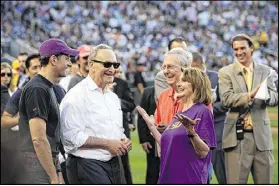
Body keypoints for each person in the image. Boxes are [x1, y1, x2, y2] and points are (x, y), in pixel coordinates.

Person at [60, 44, 132, 184]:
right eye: (107, 64)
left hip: (113, 163)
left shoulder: (112, 97)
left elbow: (115, 130)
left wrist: (123, 140)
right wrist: (107, 144)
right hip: (86, 164)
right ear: (91, 65)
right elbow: (70, 136)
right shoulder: (76, 96)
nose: (112, 69)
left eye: (115, 65)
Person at [137, 67, 216, 184]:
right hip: (168, 178)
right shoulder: (179, 113)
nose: (178, 84)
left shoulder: (202, 111)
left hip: (189, 178)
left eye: (184, 80)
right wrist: (152, 128)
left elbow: (204, 152)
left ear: (196, 84)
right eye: (179, 80)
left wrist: (192, 133)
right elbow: (167, 146)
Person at [218, 34, 278, 184]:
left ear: (252, 48)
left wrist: (266, 96)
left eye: (242, 48)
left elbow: (275, 98)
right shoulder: (225, 72)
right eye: (235, 49)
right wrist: (250, 95)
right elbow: (226, 99)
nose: (239, 52)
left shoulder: (267, 71)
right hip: (236, 138)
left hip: (262, 139)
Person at [18, 38, 78, 184]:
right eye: (67, 58)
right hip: (35, 165)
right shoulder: (37, 89)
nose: (70, 63)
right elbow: (38, 139)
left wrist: (57, 171)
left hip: (43, 162)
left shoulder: (47, 87)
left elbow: (50, 138)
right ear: (54, 59)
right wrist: (53, 177)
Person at [191, 52, 227, 184]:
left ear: (198, 63)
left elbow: (225, 103)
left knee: (221, 171)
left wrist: (205, 111)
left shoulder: (216, 77)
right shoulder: (189, 80)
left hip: (216, 128)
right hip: (196, 132)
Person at [113, 66, 136, 184]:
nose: (115, 73)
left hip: (121, 127)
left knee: (124, 162)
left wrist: (114, 101)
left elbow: (131, 104)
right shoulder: (97, 84)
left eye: (118, 71)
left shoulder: (122, 83)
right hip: (104, 129)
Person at [137, 86, 160, 184]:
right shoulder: (148, 92)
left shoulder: (177, 91)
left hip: (171, 140)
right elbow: (142, 118)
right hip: (151, 140)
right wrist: (144, 139)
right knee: (152, 171)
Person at [154, 37, 188, 101]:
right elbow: (165, 104)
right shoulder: (162, 76)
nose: (181, 54)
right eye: (176, 51)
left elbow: (209, 97)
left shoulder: (194, 74)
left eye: (184, 51)